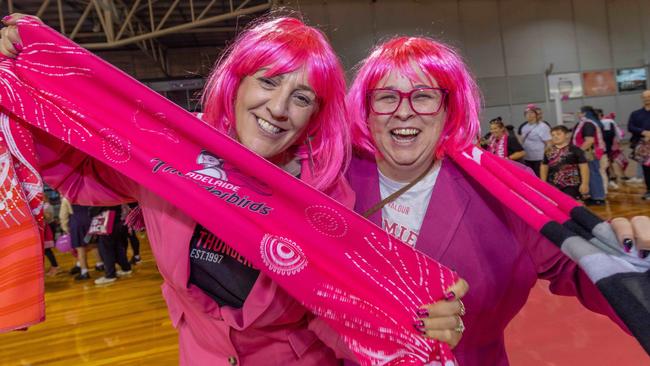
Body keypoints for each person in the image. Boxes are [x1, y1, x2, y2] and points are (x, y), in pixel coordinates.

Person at [1, 14, 467, 365]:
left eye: (302, 98)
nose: (279, 108)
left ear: (314, 117)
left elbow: (333, 313)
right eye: (268, 81)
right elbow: (81, 176)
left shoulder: (326, 198)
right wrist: (24, 75)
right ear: (237, 82)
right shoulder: (170, 152)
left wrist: (406, 323)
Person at [345, 35, 645, 365]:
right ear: (365, 109)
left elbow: (576, 266)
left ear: (450, 109)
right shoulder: (333, 181)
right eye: (387, 97)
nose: (404, 112)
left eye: (423, 96)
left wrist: (633, 263)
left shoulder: (503, 187)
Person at [540, 125, 589, 200]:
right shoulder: (548, 151)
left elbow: (584, 167)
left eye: (558, 134)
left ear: (566, 135)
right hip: (553, 184)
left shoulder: (575, 150)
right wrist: (543, 182)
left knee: (570, 204)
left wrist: (585, 183)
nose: (555, 136)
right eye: (553, 135)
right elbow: (544, 166)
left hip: (572, 184)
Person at [573, 106, 607, 205]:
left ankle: (598, 197)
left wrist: (578, 152)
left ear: (584, 113)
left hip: (590, 153)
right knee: (589, 174)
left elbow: (589, 141)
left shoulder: (588, 124)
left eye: (579, 112)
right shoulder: (587, 123)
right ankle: (593, 196)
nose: (577, 114)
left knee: (593, 174)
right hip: (588, 153)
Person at [628, 90, 650, 200]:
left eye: (649, 96)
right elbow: (630, 127)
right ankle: (649, 190)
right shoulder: (636, 114)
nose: (647, 98)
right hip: (643, 147)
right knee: (646, 169)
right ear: (642, 98)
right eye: (645, 97)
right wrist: (643, 132)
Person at [517, 104, 551, 176]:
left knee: (539, 179)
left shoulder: (543, 126)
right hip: (527, 158)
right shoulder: (524, 127)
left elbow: (549, 144)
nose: (529, 115)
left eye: (531, 113)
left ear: (536, 114)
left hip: (539, 159)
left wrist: (545, 158)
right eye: (527, 113)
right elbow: (521, 142)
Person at [598, 110, 627, 190]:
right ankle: (614, 176)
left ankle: (618, 176)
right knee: (611, 162)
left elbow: (616, 134)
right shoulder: (607, 122)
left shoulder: (607, 122)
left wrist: (617, 144)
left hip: (610, 147)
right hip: (610, 147)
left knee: (615, 161)